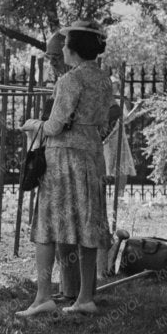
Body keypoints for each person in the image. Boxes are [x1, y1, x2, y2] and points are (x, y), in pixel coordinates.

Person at [21, 22, 118, 317]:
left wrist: (31, 125)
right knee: (89, 225)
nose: (61, 49)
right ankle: (86, 297)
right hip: (92, 154)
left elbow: (54, 126)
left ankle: (42, 298)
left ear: (73, 49)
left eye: (64, 45)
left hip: (63, 158)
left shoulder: (69, 81)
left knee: (48, 225)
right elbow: (103, 123)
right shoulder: (105, 81)